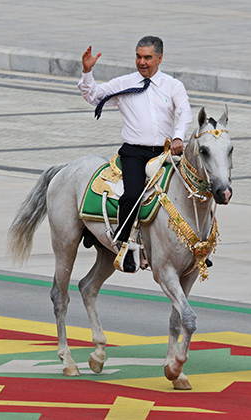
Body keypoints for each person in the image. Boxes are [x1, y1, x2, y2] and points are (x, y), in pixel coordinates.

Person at [78, 35, 192, 273]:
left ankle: (196, 246)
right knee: (132, 195)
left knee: (195, 191)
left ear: (159, 58)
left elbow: (185, 112)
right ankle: (124, 243)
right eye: (139, 57)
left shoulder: (173, 86)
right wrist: (87, 72)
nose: (142, 62)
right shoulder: (124, 83)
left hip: (165, 153)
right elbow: (93, 96)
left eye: (148, 57)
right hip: (134, 154)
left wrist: (179, 136)